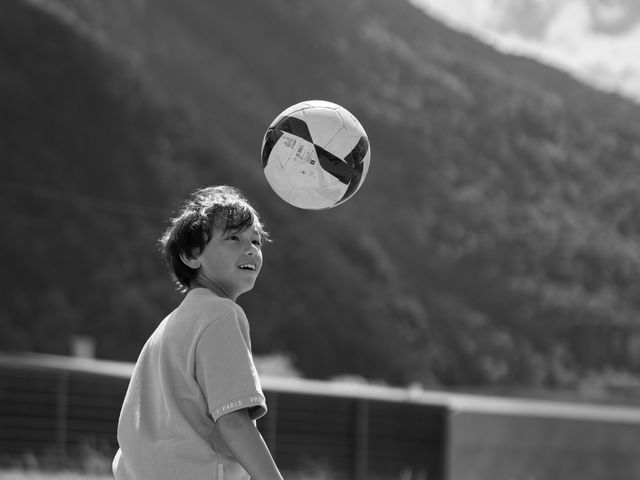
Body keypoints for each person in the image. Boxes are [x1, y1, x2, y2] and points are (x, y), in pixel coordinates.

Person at [112, 185, 284, 480]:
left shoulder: (168, 327)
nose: (251, 248)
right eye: (233, 237)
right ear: (191, 255)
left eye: (256, 240)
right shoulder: (221, 314)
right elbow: (233, 422)